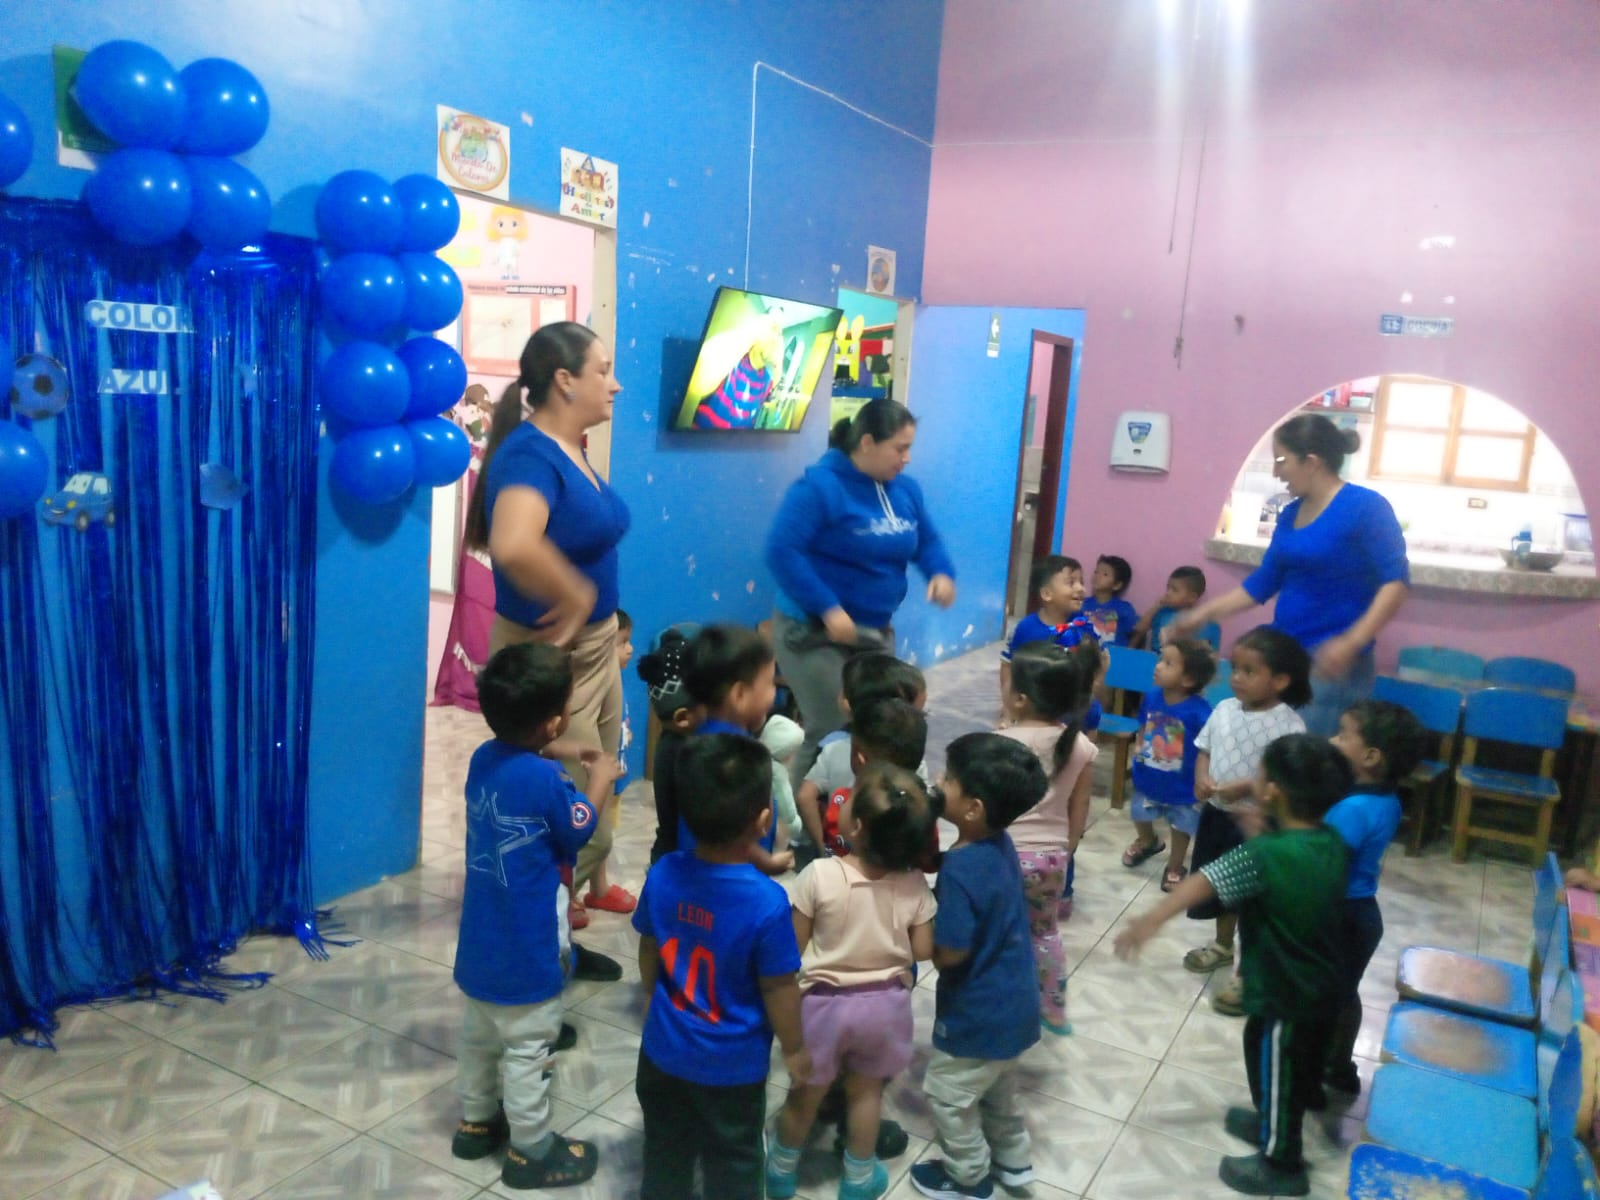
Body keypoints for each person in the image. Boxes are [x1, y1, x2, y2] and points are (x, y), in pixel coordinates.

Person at [1115, 734, 1353, 1197]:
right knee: (1288, 1059)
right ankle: (1274, 1117)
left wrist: (1150, 920)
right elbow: (1289, 871)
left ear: (1273, 791)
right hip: (1321, 984)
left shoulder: (1266, 854)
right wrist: (1262, 834)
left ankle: (1282, 1163)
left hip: (1286, 991)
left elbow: (1206, 881)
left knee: (1278, 1067)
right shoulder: (1329, 840)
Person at [463, 322, 631, 941]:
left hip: (596, 647)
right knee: (580, 820)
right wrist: (574, 592)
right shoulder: (530, 456)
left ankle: (574, 902)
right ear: (565, 381)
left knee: (604, 782)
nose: (615, 384)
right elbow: (512, 544)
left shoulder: (568, 448)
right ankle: (527, 938)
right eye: (603, 370)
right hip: (558, 656)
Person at [450, 644, 622, 1190]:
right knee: (528, 1051)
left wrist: (562, 746)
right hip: (528, 951)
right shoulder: (549, 782)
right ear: (553, 721)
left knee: (479, 1040)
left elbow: (525, 754)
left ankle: (476, 1123)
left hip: (479, 948)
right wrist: (600, 776)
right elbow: (577, 829)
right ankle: (531, 1150)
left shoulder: (484, 758)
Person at [633, 734, 810, 1200]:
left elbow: (650, 947)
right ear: (764, 821)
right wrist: (795, 1048)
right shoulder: (767, 903)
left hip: (662, 1053)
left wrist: (652, 995)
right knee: (733, 1164)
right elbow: (779, 987)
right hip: (732, 1068)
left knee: (665, 1152)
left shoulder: (663, 873)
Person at [1171, 414, 1410, 735]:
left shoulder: (1366, 507)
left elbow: (1396, 582)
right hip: (1285, 657)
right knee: (1272, 748)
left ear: (1311, 462)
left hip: (1331, 666)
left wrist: (1352, 642)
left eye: (1281, 461)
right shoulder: (1290, 514)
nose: (1276, 472)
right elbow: (1262, 583)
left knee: (1309, 757)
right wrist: (1201, 615)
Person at [767, 764, 939, 1200]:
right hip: (886, 1008)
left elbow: (793, 946)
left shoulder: (820, 875)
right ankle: (859, 1179)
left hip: (823, 1007)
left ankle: (781, 1173)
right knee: (866, 1095)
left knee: (804, 1096)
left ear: (857, 826)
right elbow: (922, 949)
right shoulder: (915, 883)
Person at [766, 399, 957, 784]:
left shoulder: (906, 491)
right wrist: (827, 607)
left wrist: (939, 572)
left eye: (909, 448)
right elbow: (782, 551)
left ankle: (864, 810)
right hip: (811, 632)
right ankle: (794, 813)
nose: (906, 458)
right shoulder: (819, 488)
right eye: (899, 448)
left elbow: (928, 541)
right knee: (831, 728)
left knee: (880, 728)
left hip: (872, 633)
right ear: (867, 442)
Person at [911, 734, 1049, 1200]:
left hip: (977, 1011)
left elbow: (951, 952)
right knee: (998, 1089)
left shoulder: (960, 871)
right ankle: (1014, 1162)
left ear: (972, 808)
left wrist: (919, 934)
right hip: (1016, 1003)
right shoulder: (998, 844)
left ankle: (968, 1177)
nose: (937, 780)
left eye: (948, 778)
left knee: (948, 1094)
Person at [1184, 628, 1311, 1017]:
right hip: (1217, 816)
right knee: (1222, 886)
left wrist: (1246, 786)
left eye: (1249, 671)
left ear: (1280, 680)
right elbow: (1204, 749)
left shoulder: (1289, 725)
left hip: (1260, 826)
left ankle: (1247, 971)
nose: (1236, 677)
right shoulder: (1223, 709)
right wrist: (1201, 777)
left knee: (1254, 899)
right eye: (1235, 668)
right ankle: (1223, 945)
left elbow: (1286, 780)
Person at [1323, 700, 1425, 1097]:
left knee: (1326, 997)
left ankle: (1320, 1071)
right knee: (1344, 993)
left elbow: (1327, 868)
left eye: (1342, 734)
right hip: (1362, 915)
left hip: (1339, 915)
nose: (1332, 740)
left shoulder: (1353, 808)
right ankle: (1339, 1067)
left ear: (1370, 756)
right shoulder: (1386, 800)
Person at [997, 641, 1099, 1035]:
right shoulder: (1080, 744)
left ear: (1020, 699)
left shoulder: (1003, 741)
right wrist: (1068, 846)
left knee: (1000, 931)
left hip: (1004, 854)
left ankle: (1004, 1003)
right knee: (1044, 932)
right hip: (1052, 857)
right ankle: (1053, 1010)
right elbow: (1081, 803)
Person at [681, 624, 792, 874]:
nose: (774, 692)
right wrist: (766, 862)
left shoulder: (701, 741)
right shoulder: (732, 759)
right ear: (739, 694)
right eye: (770, 683)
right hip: (728, 876)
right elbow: (728, 835)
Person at [1122, 639, 1217, 893]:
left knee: (1180, 826)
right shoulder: (1152, 696)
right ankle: (1148, 841)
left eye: (1168, 663)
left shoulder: (1200, 712)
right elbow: (1143, 725)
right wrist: (1138, 746)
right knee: (1139, 812)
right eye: (1160, 659)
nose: (1158, 666)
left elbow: (1208, 748)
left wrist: (1203, 777)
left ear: (1188, 679)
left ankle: (1175, 866)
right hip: (1149, 774)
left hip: (1182, 785)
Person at [571, 608, 636, 925]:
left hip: (611, 773)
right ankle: (562, 894)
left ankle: (598, 887)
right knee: (593, 832)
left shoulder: (614, 678)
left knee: (604, 816)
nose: (630, 649)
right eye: (623, 642)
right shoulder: (586, 676)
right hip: (592, 773)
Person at [806, 697, 928, 860]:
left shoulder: (843, 803)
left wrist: (823, 851)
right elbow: (927, 860)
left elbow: (805, 797)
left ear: (859, 758)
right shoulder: (920, 810)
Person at [998, 554, 1096, 714]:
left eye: (1082, 582)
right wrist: (1009, 708)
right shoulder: (1025, 628)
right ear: (1047, 594)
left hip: (1075, 708)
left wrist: (1089, 696)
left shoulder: (1084, 625)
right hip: (1036, 709)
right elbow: (1008, 666)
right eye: (1071, 582)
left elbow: (1100, 661)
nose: (1081, 589)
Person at [636, 627, 702, 865]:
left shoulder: (670, 741)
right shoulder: (685, 751)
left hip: (668, 850)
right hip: (678, 857)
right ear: (683, 717)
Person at [1132, 565, 1220, 651]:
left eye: (1174, 590)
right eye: (1168, 588)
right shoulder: (1162, 612)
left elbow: (1212, 654)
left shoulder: (1206, 622)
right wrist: (1155, 607)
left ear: (1192, 597)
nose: (1168, 593)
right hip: (1157, 657)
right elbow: (1139, 629)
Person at [1079, 554, 1138, 648]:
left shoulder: (1124, 609)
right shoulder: (1082, 604)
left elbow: (1136, 633)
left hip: (1114, 654)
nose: (1097, 576)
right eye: (1096, 572)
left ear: (1117, 585)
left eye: (1105, 574)